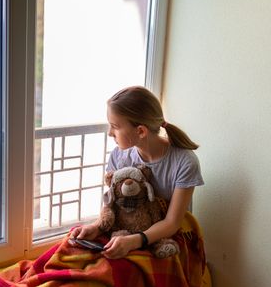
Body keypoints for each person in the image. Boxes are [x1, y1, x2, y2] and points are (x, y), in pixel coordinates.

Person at [70, 86, 204, 259]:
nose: (110, 133)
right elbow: (113, 204)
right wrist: (96, 227)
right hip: (126, 230)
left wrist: (134, 241)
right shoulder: (119, 156)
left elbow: (172, 222)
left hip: (164, 237)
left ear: (141, 131)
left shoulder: (185, 162)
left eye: (115, 127)